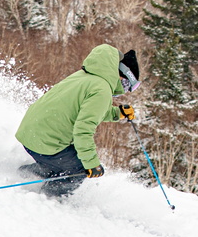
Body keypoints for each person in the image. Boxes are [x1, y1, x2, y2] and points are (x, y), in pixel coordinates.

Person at [15, 44, 139, 197]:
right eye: (126, 85)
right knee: (78, 170)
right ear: (118, 74)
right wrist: (91, 164)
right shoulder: (102, 90)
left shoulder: (84, 76)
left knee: (62, 164)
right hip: (47, 142)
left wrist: (117, 113)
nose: (123, 91)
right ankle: (49, 200)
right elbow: (83, 130)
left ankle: (25, 174)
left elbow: (84, 110)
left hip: (30, 134)